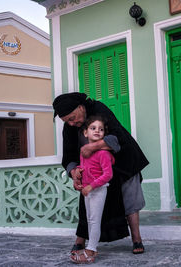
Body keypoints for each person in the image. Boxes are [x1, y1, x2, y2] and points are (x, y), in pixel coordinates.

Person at [53, 92, 149, 256]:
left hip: (124, 160)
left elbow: (118, 135)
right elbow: (68, 155)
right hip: (95, 168)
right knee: (86, 200)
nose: (71, 123)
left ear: (81, 107)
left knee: (130, 198)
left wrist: (94, 146)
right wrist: (74, 171)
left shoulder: (98, 109)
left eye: (72, 117)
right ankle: (80, 239)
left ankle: (137, 239)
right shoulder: (70, 126)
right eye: (67, 121)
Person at [70, 116, 115, 264]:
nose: (97, 131)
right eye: (93, 128)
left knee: (95, 220)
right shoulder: (84, 153)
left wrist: (91, 186)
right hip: (87, 191)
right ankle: (91, 247)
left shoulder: (103, 153)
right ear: (85, 133)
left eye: (101, 129)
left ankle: (91, 250)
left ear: (104, 134)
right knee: (89, 220)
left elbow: (108, 174)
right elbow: (84, 168)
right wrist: (77, 173)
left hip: (98, 190)